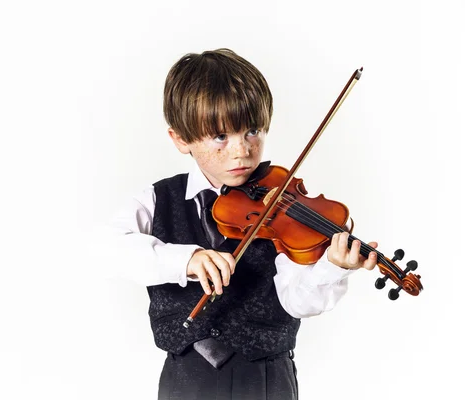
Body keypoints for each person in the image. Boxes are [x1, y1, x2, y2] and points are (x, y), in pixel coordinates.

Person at [109, 48, 379, 400]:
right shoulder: (158, 199)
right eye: (221, 137)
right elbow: (105, 248)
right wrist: (185, 260)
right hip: (185, 382)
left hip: (266, 380)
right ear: (180, 139)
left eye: (252, 131)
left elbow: (297, 300)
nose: (241, 151)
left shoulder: (281, 201)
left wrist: (332, 267)